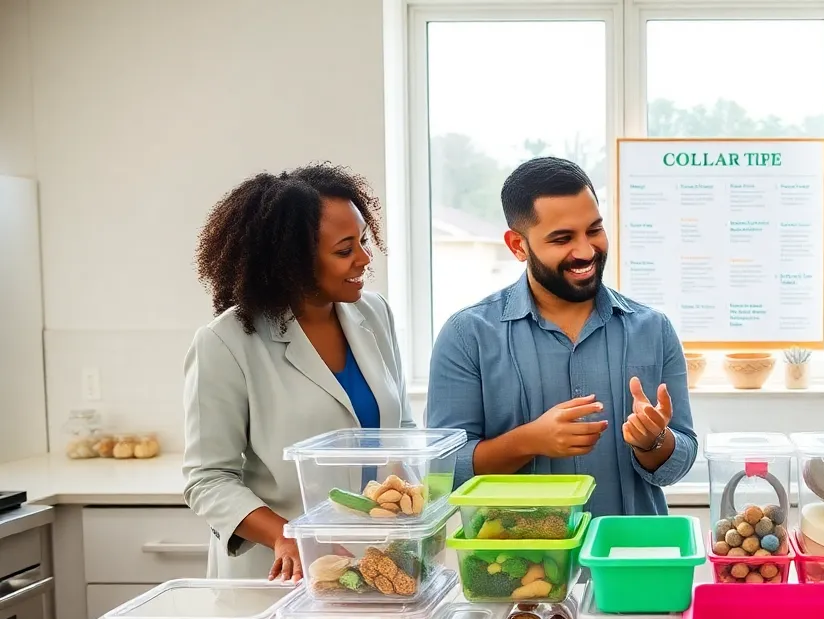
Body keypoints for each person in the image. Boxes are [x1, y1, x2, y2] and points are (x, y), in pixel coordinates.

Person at [183, 163, 417, 581]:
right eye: (344, 250)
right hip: (281, 573)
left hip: (375, 558)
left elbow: (400, 431)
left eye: (363, 241)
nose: (365, 259)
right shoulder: (227, 341)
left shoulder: (374, 313)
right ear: (291, 261)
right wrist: (287, 536)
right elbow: (208, 479)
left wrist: (415, 520)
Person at [426, 156, 696, 516]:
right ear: (517, 245)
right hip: (519, 552)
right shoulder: (467, 335)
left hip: (630, 548)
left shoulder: (653, 328)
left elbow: (680, 461)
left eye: (594, 230)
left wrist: (654, 442)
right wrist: (528, 441)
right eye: (562, 238)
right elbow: (442, 472)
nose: (585, 251)